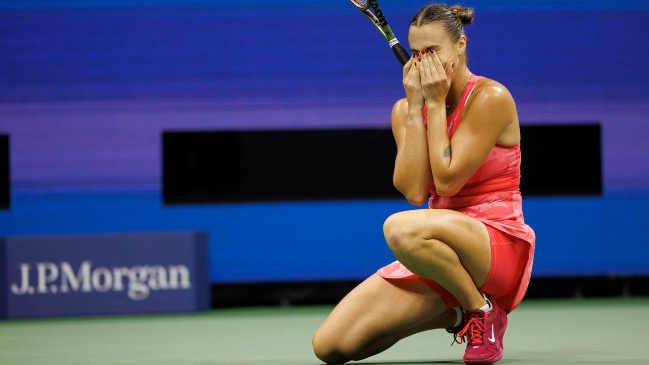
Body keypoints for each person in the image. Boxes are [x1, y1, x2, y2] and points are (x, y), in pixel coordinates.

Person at [312, 3, 536, 365]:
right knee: (331, 346)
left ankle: (483, 309)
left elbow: (446, 183)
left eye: (433, 52)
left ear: (460, 45)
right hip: (435, 250)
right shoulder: (404, 109)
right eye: (416, 53)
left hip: (495, 245)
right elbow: (414, 191)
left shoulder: (490, 98)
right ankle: (458, 314)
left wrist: (433, 103)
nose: (422, 62)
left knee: (399, 228)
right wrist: (416, 109)